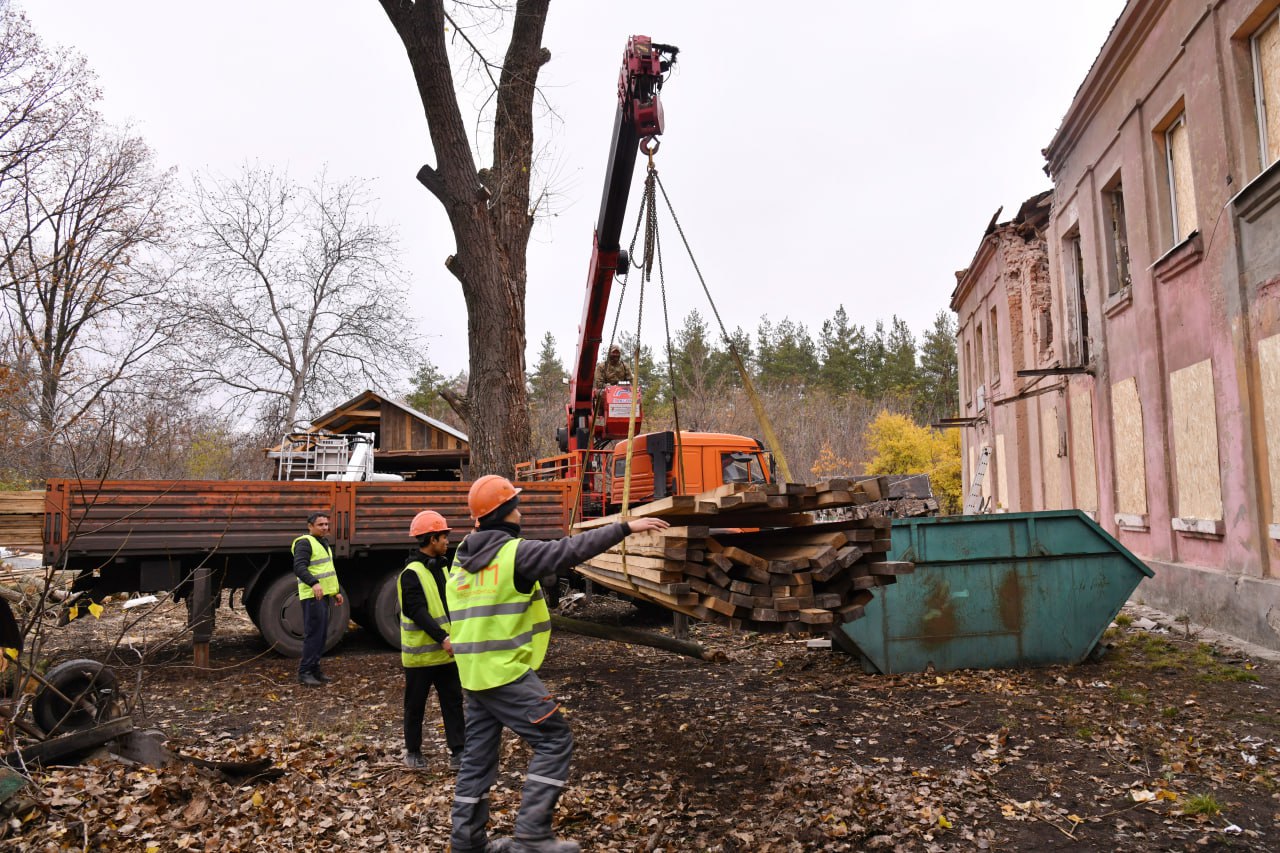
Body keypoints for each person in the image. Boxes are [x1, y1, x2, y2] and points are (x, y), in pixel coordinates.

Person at [446, 475, 670, 853]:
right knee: (554, 740)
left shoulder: (461, 561)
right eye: (515, 505)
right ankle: (533, 837)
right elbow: (569, 550)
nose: (520, 511)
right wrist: (625, 527)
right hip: (506, 674)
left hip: (473, 678)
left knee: (476, 762)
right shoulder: (513, 553)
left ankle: (467, 843)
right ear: (504, 514)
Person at [398, 509, 466, 771]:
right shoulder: (411, 573)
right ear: (431, 539)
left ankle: (458, 750)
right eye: (443, 536)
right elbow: (416, 612)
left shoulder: (443, 567)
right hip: (421, 655)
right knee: (415, 705)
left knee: (453, 701)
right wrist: (442, 638)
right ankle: (413, 752)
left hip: (446, 652)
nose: (448, 540)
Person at [292, 511, 343, 687]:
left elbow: (326, 571)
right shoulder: (305, 543)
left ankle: (314, 669)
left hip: (323, 595)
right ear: (310, 526)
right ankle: (305, 672)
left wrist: (335, 591)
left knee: (321, 635)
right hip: (312, 596)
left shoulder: (323, 543)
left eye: (326, 524)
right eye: (320, 525)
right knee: (313, 634)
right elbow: (299, 567)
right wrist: (313, 583)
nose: (325, 527)